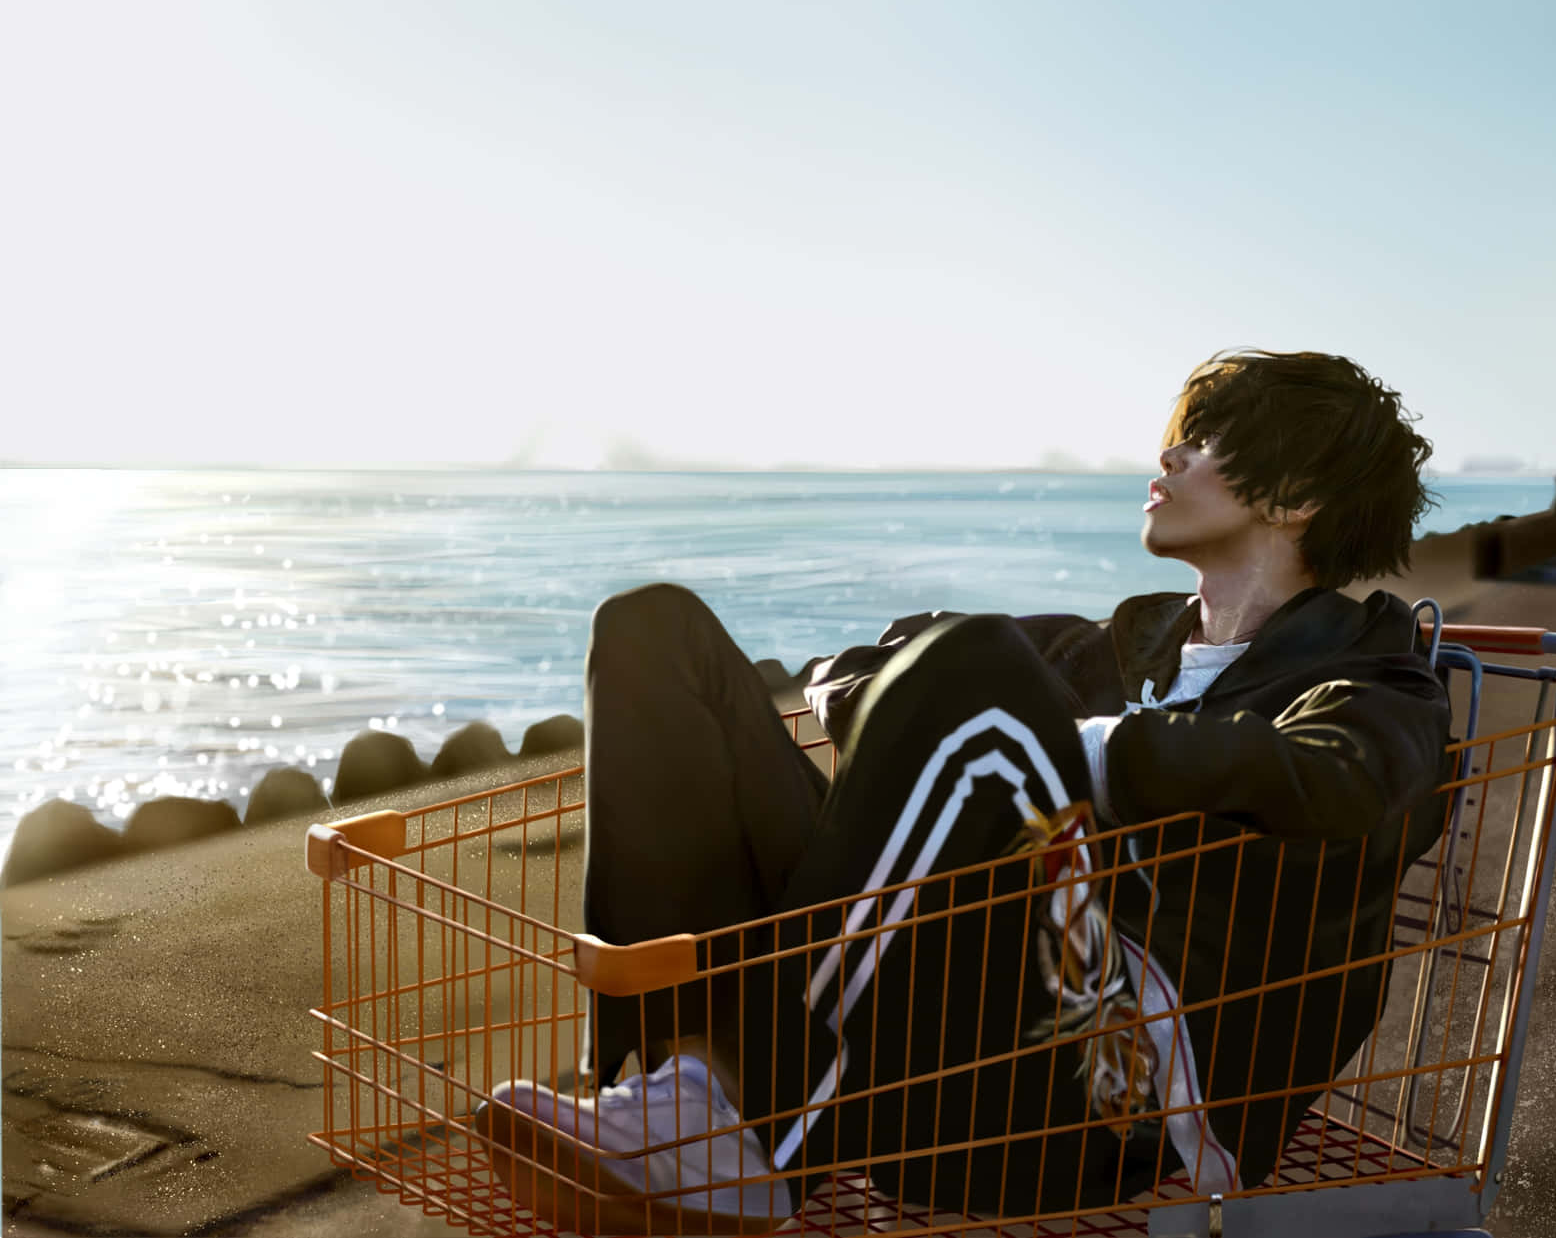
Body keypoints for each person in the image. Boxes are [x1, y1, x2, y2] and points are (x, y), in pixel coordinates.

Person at [482, 349, 1455, 1229]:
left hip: (1103, 1093)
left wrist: (1103, 758)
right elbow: (880, 653)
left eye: (1201, 445)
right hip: (948, 1022)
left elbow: (1344, 778)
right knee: (654, 629)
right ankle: (674, 1079)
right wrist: (898, 717)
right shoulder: (1120, 646)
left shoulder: (1375, 680)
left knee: (983, 683)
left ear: (1293, 496)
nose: (1166, 461)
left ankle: (751, 1131)